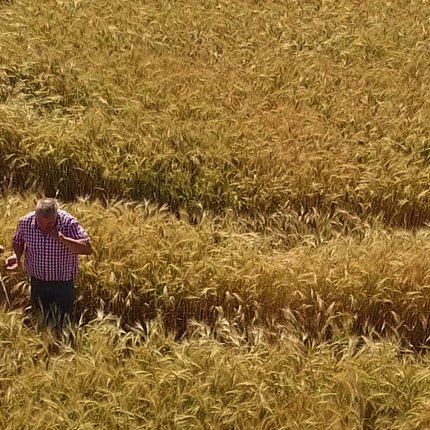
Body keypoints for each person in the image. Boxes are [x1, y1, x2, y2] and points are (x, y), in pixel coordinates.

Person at [5, 198, 92, 327]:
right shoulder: (25, 222)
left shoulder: (68, 222)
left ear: (57, 215)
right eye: (41, 223)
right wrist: (16, 256)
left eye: (50, 223)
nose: (45, 228)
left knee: (61, 323)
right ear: (35, 215)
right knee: (40, 321)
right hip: (37, 283)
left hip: (62, 285)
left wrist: (62, 238)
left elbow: (87, 248)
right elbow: (18, 240)